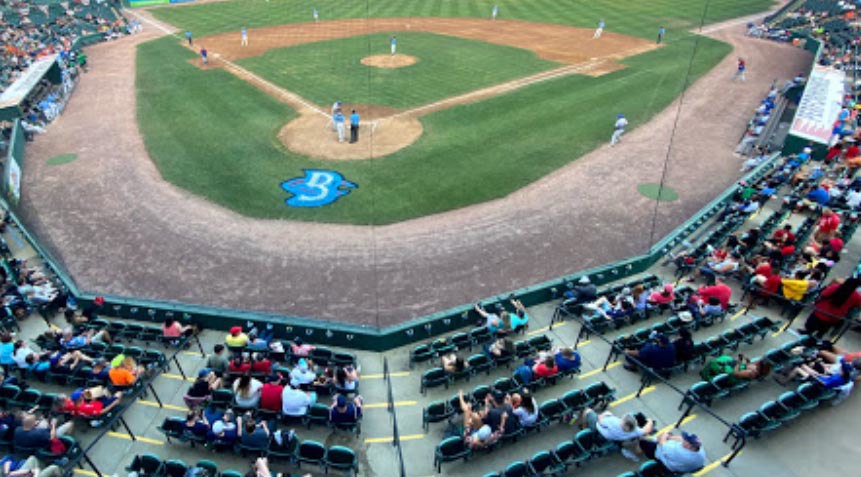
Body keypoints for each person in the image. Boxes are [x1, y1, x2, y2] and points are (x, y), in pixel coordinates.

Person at [582, 408, 654, 461]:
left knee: (587, 411)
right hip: (612, 439)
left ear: (623, 421)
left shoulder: (614, 421)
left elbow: (600, 420)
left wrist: (605, 414)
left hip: (599, 432)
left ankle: (584, 427)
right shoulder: (635, 431)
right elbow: (647, 430)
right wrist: (650, 422)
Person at [638, 431, 706, 473]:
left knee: (643, 442)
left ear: (689, 445)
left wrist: (665, 434)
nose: (683, 439)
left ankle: (639, 449)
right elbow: (680, 438)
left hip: (667, 466)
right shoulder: (700, 449)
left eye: (685, 440)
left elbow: (661, 443)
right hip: (686, 468)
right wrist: (670, 437)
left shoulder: (678, 451)